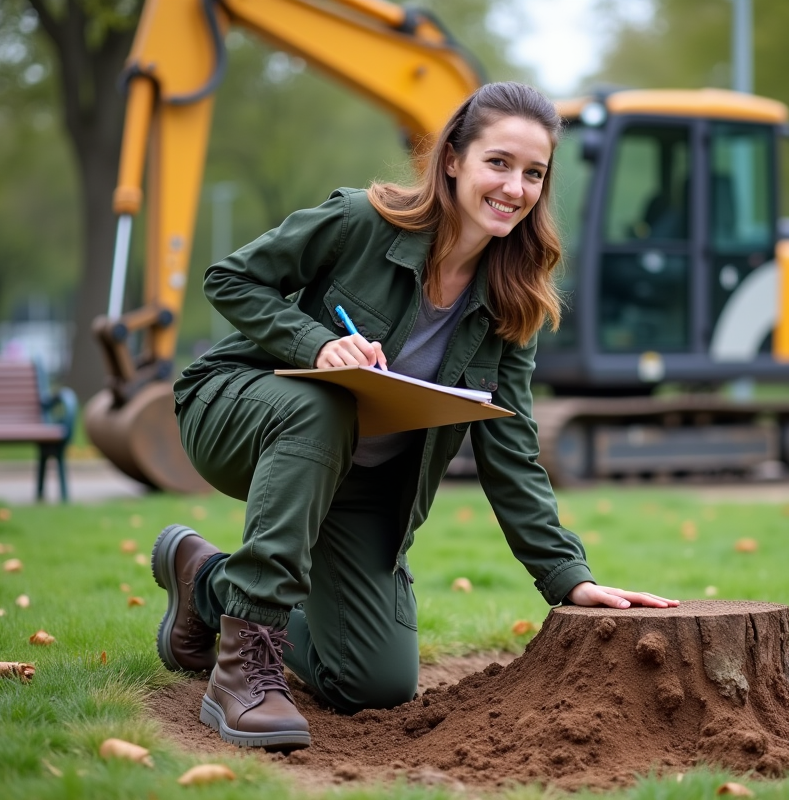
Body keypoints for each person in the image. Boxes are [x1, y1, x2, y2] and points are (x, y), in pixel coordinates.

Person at [150, 82, 677, 751]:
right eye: (499, 163)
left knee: (375, 683)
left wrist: (569, 578)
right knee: (324, 399)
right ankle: (243, 672)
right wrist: (316, 343)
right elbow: (229, 279)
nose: (515, 187)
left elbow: (509, 443)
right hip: (238, 412)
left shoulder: (514, 302)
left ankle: (209, 584)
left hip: (363, 483)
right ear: (453, 158)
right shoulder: (361, 221)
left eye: (534, 173)